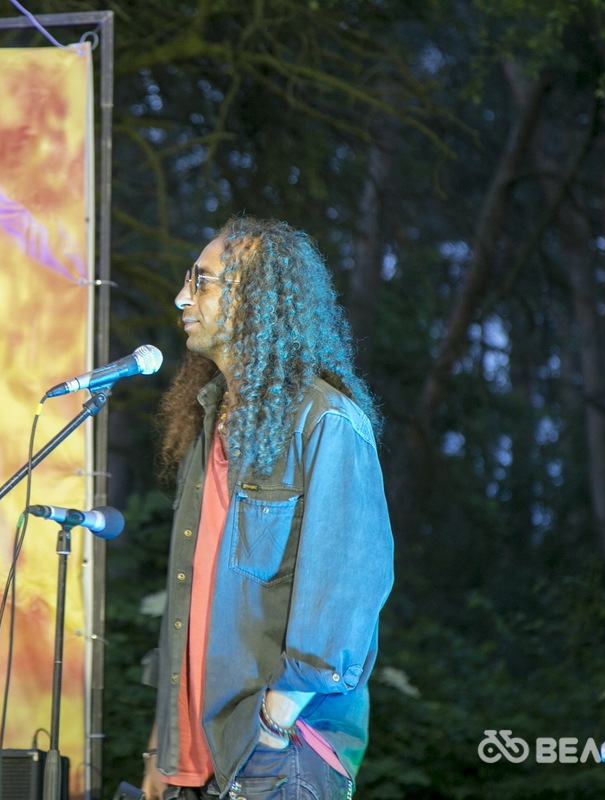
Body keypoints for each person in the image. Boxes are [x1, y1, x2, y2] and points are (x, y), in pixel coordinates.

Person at [139, 215, 394, 800]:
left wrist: (275, 722)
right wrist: (164, 743)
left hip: (281, 755)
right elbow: (192, 595)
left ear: (256, 300)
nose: (182, 297)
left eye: (202, 281)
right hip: (196, 757)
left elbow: (348, 590)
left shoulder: (326, 422)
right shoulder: (207, 422)